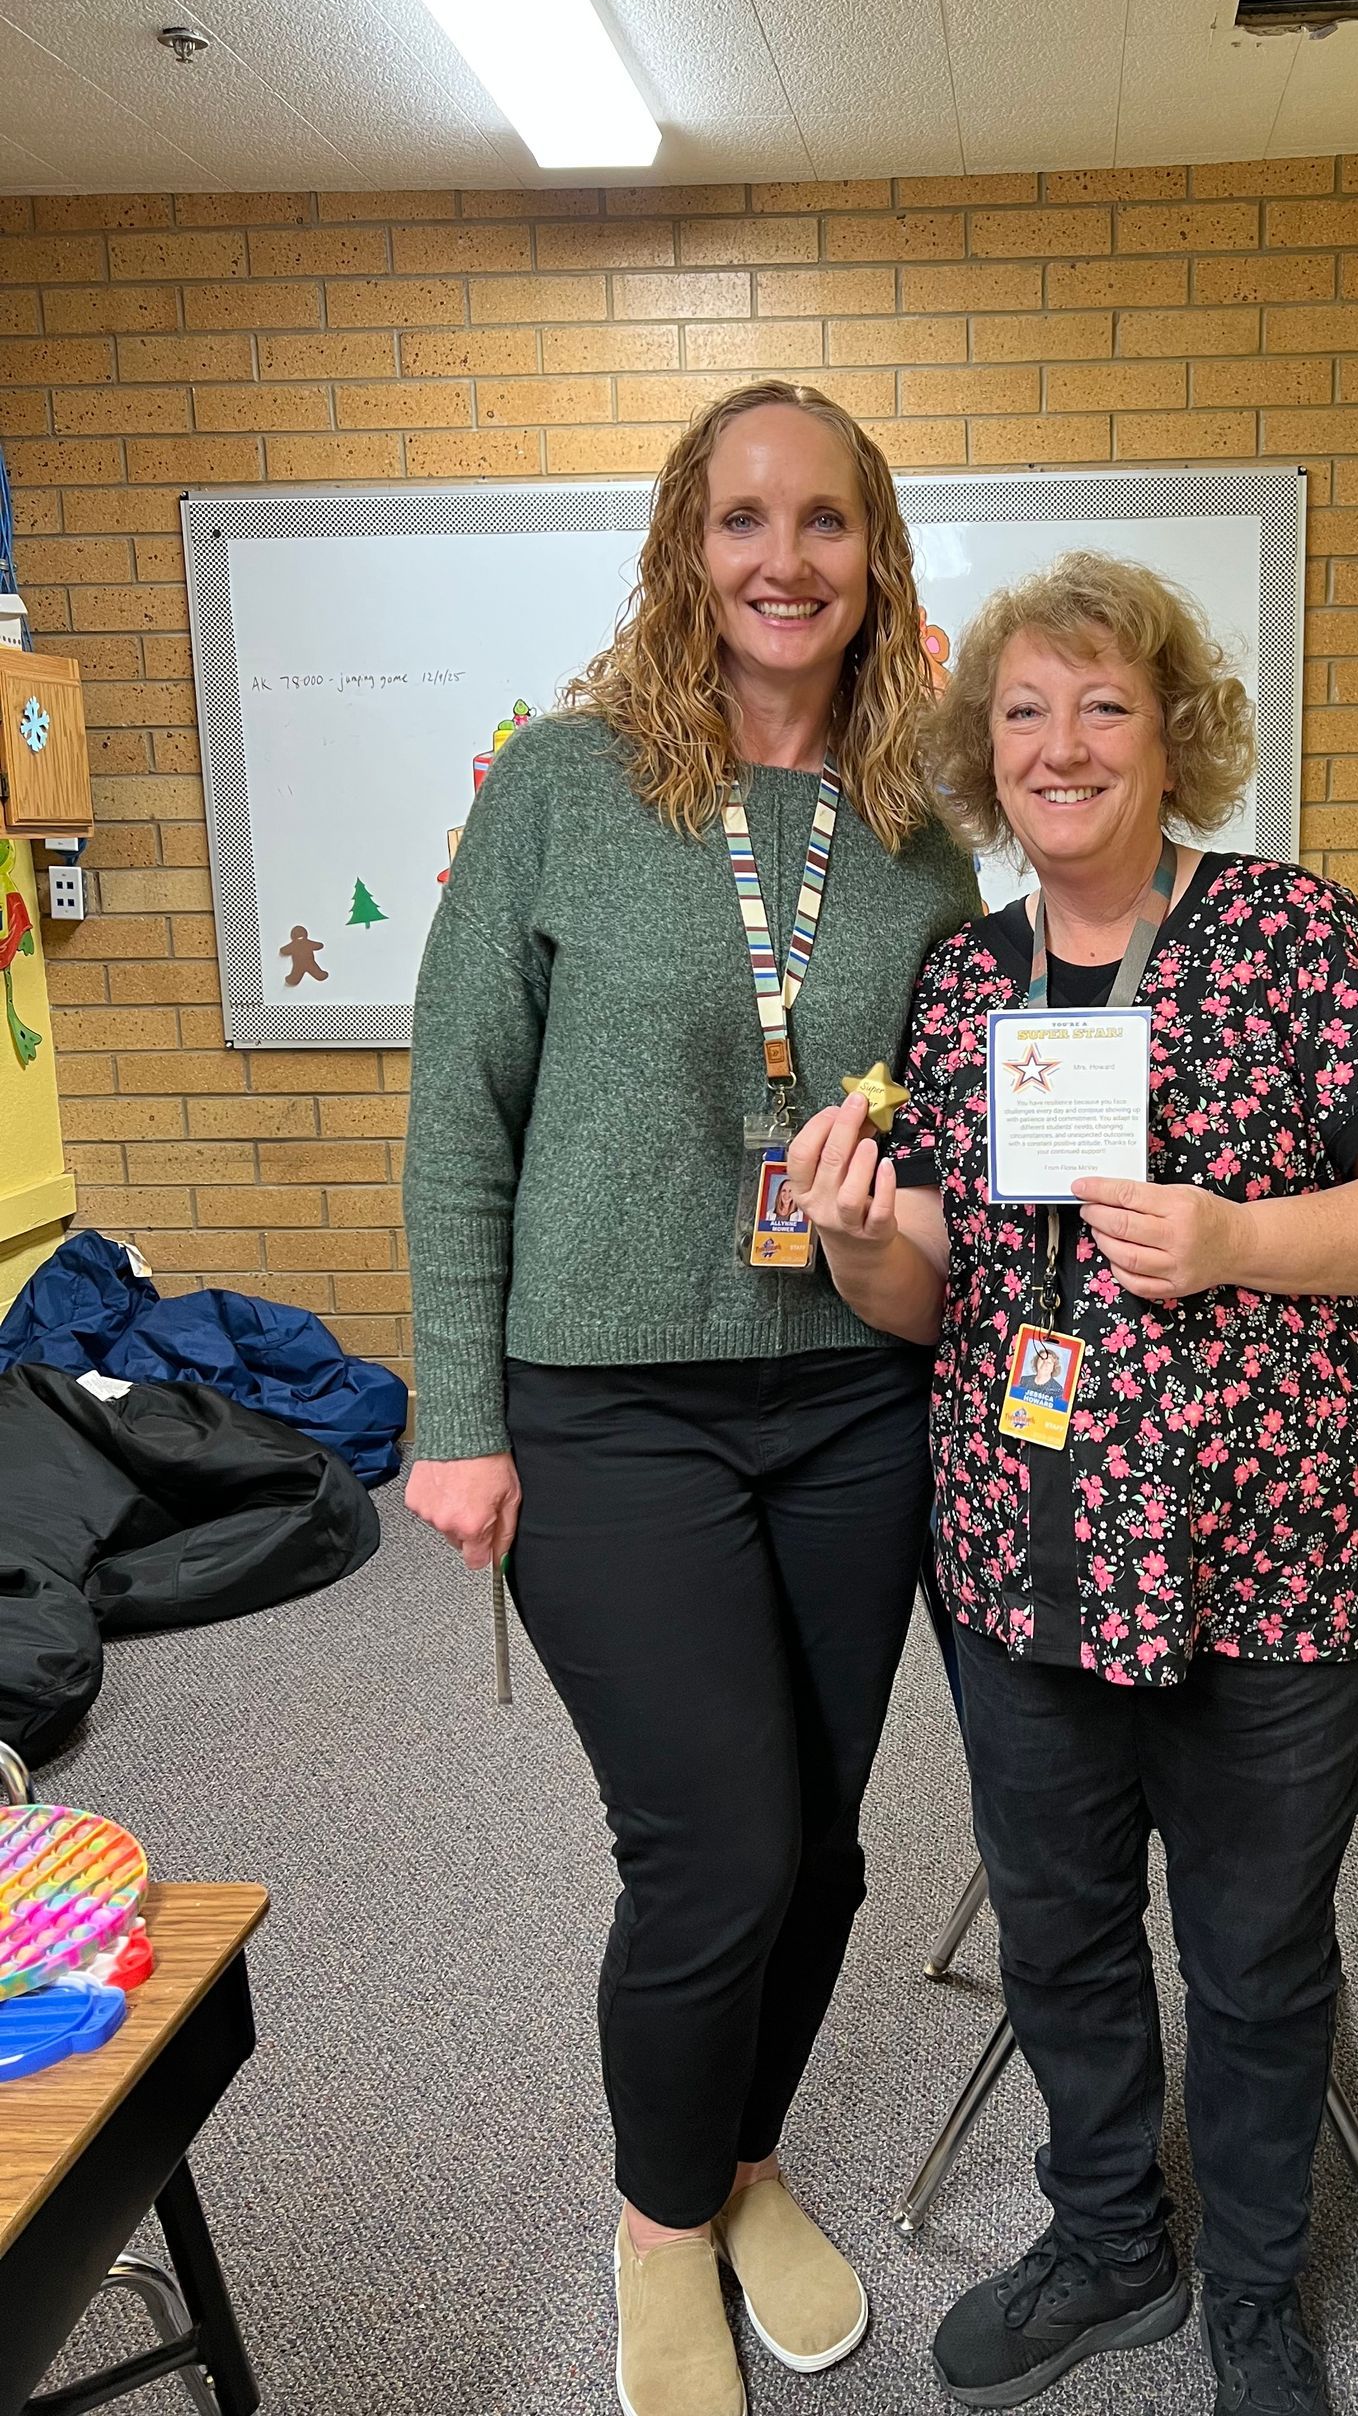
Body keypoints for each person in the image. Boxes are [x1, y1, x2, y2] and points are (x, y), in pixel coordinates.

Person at [787, 552, 1358, 2416]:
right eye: (1024, 712)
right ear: (983, 755)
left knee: (1257, 1955)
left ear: (1174, 736)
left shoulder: (1291, 936)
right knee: (1061, 1931)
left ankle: (1256, 2286)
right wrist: (859, 1236)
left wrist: (1241, 1236)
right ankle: (1111, 2243)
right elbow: (928, 1278)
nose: (1063, 743)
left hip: (1274, 1551)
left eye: (1103, 704)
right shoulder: (963, 984)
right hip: (1026, 1556)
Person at [403, 380, 980, 2416]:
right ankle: (658, 2232)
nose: (783, 557)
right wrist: (455, 1411)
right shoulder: (564, 782)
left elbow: (954, 1121)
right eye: (744, 517)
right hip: (605, 1399)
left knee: (816, 1845)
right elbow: (459, 1108)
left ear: (872, 551)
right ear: (685, 545)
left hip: (848, 1395)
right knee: (716, 1842)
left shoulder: (923, 828)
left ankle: (737, 2162)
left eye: (825, 520)